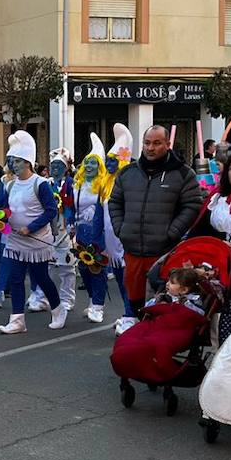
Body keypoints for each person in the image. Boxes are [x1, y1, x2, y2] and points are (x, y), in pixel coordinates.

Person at [108, 125, 203, 324]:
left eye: (157, 143)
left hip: (163, 254)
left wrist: (173, 232)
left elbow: (193, 205)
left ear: (168, 145)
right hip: (132, 249)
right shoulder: (127, 173)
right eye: (147, 143)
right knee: (135, 302)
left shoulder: (184, 174)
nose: (151, 148)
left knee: (161, 305)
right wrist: (120, 228)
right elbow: (115, 201)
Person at [0, 129, 64, 333]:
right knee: (16, 279)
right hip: (15, 239)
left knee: (41, 278)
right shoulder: (10, 184)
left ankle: (58, 310)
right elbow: (4, 209)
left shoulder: (40, 184)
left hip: (36, 240)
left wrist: (31, 227)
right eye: (11, 161)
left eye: (16, 161)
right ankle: (17, 320)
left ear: (27, 162)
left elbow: (51, 211)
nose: (12, 165)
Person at [71, 132, 133, 324]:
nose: (109, 164)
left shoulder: (128, 184)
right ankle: (126, 314)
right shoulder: (106, 185)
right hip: (104, 241)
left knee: (126, 281)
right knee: (89, 269)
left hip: (123, 242)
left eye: (112, 160)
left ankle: (130, 315)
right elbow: (99, 213)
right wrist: (97, 236)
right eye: (107, 160)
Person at [26, 150, 77, 322]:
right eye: (53, 165)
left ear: (66, 168)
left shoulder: (71, 184)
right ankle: (41, 296)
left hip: (65, 228)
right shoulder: (45, 184)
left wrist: (72, 223)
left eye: (59, 166)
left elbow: (74, 205)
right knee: (44, 265)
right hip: (47, 229)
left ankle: (67, 299)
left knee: (66, 267)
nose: (55, 169)